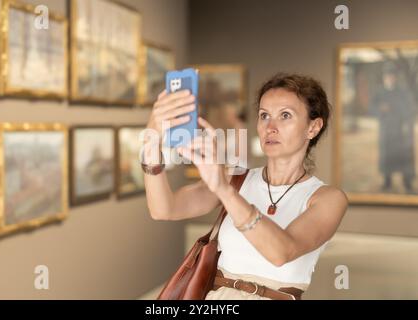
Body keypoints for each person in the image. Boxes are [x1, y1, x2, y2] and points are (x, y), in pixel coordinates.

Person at [142, 73, 348, 300]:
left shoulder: (328, 198)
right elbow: (164, 209)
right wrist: (151, 141)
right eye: (264, 115)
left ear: (313, 127)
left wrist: (223, 190)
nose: (270, 127)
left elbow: (280, 252)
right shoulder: (236, 178)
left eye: (285, 116)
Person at [368, 62, 416, 193]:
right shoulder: (379, 92)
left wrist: (406, 120)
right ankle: (387, 180)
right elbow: (371, 108)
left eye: (392, 75)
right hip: (386, 130)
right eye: (388, 76)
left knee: (404, 155)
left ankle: (407, 182)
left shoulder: (402, 91)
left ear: (396, 77)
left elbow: (410, 107)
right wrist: (380, 109)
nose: (390, 78)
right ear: (384, 77)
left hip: (401, 129)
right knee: (387, 156)